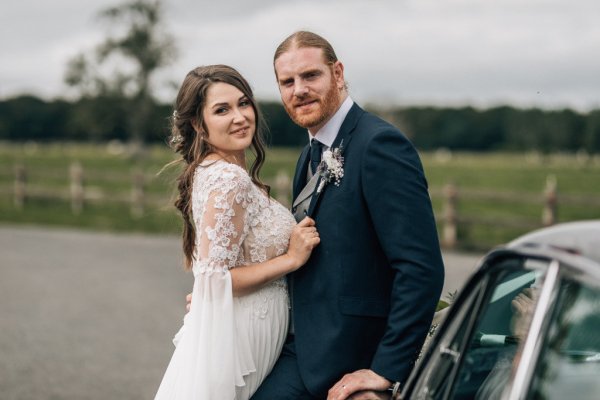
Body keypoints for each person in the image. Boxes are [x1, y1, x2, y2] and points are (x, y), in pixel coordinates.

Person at [248, 31, 445, 400]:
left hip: (352, 358)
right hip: (302, 349)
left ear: (337, 73)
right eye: (287, 82)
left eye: (310, 76)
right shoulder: (308, 155)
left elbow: (420, 267)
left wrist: (385, 370)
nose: (299, 90)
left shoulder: (379, 145)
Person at [154, 65, 320, 400]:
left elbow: (211, 276)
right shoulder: (229, 179)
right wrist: (291, 258)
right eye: (222, 110)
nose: (240, 117)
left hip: (242, 326)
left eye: (243, 103)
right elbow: (216, 280)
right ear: (199, 126)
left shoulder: (215, 171)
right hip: (241, 338)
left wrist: (205, 295)